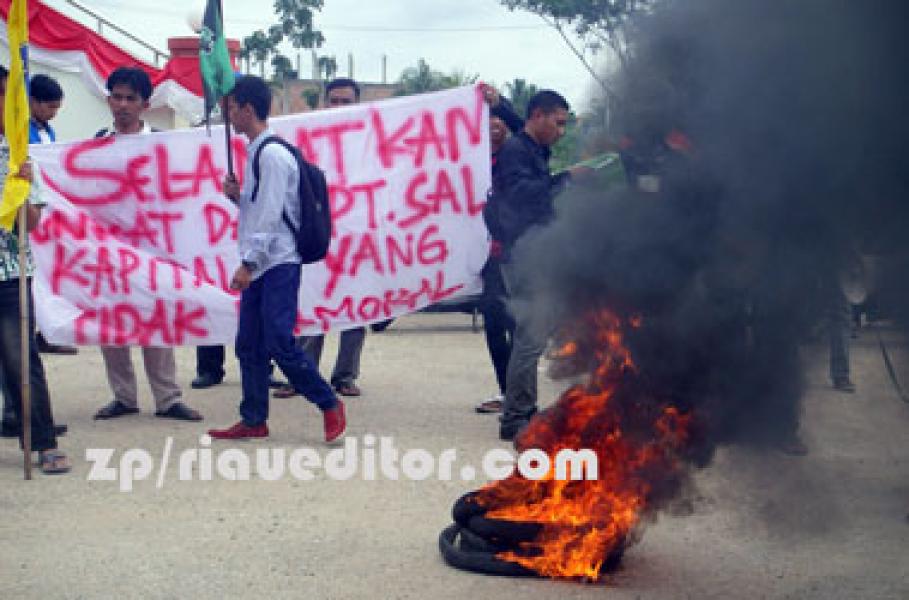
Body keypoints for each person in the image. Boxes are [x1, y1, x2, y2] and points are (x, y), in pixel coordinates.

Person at [207, 75, 346, 443]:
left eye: (231, 109)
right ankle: (254, 418)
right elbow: (261, 211)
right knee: (249, 343)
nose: (228, 117)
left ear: (247, 109)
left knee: (279, 342)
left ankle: (328, 402)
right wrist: (238, 198)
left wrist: (248, 264)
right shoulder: (259, 151)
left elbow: (269, 218)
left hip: (277, 263)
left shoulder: (270, 154)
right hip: (266, 261)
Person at [91, 67, 202, 422]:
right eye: (117, 97)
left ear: (145, 104)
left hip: (153, 252)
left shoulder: (161, 143)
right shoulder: (95, 142)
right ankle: (123, 396)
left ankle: (167, 398)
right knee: (112, 326)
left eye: (130, 99)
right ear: (108, 99)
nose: (122, 105)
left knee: (157, 323)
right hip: (108, 252)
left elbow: (179, 194)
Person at [489, 90, 588, 441]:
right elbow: (524, 196)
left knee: (532, 335)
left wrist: (501, 103)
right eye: (558, 123)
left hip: (530, 252)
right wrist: (566, 180)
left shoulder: (527, 146)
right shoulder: (518, 151)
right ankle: (516, 417)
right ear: (539, 116)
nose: (561, 131)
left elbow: (524, 133)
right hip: (523, 255)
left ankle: (521, 411)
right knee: (530, 337)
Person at [276, 77, 368, 399]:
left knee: (357, 306)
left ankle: (345, 375)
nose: (339, 108)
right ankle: (303, 373)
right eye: (334, 101)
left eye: (347, 102)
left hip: (357, 236)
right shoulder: (307, 138)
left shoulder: (370, 141)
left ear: (359, 105)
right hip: (317, 235)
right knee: (313, 299)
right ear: (324, 103)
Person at [0, 65, 70, 473]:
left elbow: (34, 223)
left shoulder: (20, 153)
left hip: (9, 273)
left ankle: (43, 442)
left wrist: (23, 187)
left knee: (21, 361)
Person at [474, 85, 523, 414]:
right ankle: (507, 391)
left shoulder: (518, 155)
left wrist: (500, 105)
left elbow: (523, 128)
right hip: (486, 256)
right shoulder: (471, 160)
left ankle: (521, 396)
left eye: (499, 122)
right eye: (487, 121)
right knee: (494, 323)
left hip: (517, 253)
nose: (494, 126)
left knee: (518, 324)